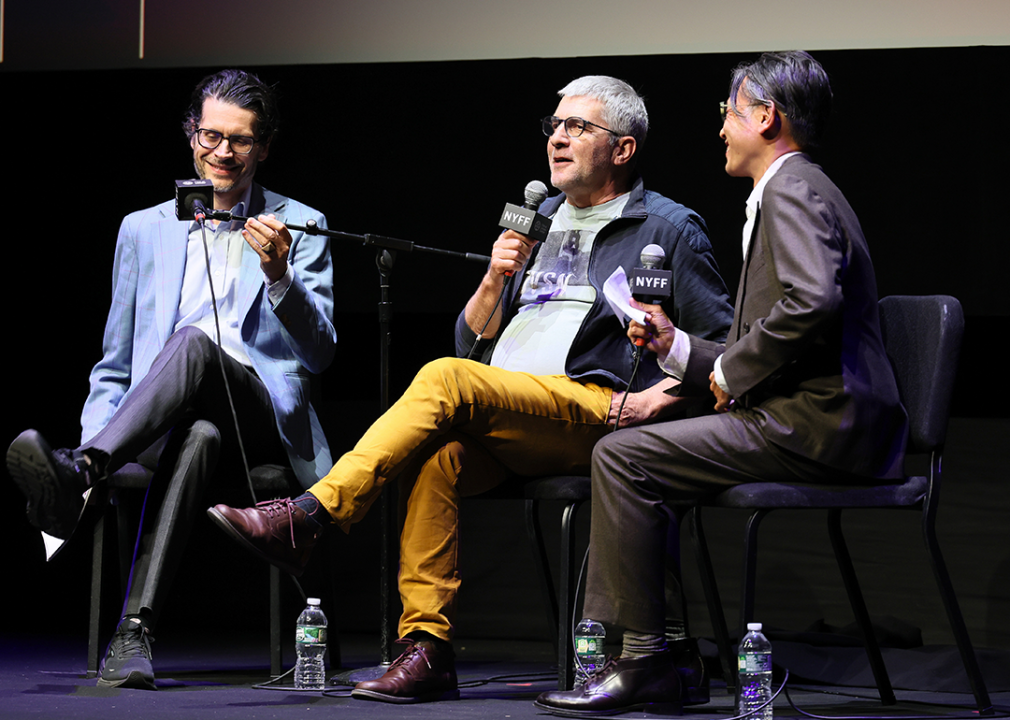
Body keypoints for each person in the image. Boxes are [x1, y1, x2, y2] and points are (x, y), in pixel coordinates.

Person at [208, 75, 734, 704]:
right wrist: (494, 276)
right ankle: (427, 649)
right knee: (434, 457)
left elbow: (721, 353)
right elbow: (473, 344)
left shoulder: (671, 229)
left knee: (442, 378)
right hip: (511, 411)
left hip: (598, 410)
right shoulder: (537, 221)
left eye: (578, 128)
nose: (558, 139)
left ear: (622, 150)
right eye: (554, 126)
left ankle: (309, 515)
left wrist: (657, 402)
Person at [534, 51, 909, 717]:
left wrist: (733, 372)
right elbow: (788, 322)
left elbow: (811, 303)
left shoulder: (792, 187)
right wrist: (675, 346)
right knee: (647, 451)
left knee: (623, 456)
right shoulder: (800, 187)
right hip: (819, 417)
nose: (721, 129)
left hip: (820, 424)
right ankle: (667, 656)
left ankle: (643, 658)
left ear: (766, 117)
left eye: (729, 113)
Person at [6, 69, 336, 690]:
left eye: (240, 140)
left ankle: (80, 469)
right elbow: (115, 360)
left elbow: (319, 355)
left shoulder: (303, 224)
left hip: (260, 419)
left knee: (194, 346)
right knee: (200, 433)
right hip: (173, 424)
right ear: (191, 136)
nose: (224, 153)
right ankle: (134, 635)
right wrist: (100, 426)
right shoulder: (143, 229)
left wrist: (280, 276)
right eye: (211, 135)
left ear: (263, 146)